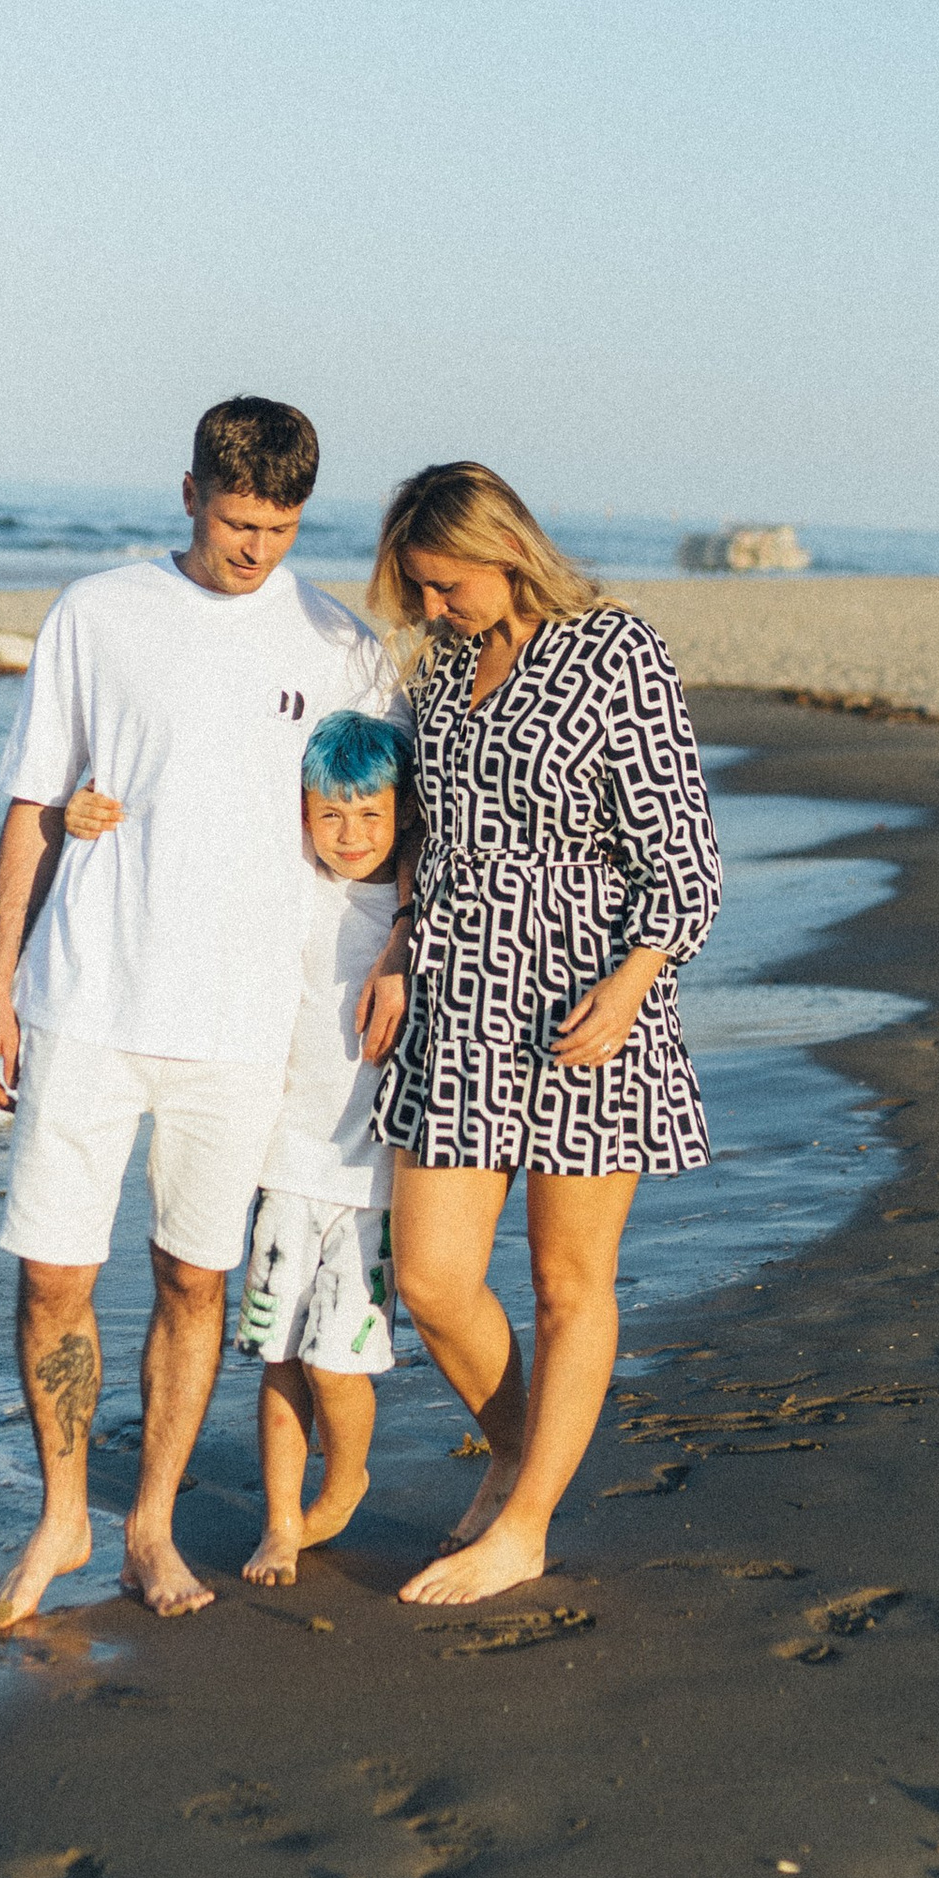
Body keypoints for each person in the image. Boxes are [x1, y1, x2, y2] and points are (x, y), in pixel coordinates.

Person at [0, 397, 405, 1623]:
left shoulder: (342, 649)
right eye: (236, 520)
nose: (256, 548)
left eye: (280, 525)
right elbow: (31, 804)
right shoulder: (98, 614)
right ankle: (61, 1516)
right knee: (54, 1275)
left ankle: (148, 1527)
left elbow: (387, 831)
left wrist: (403, 951)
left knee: (194, 1281)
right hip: (87, 1000)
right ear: (188, 494)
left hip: (243, 1023)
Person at [363, 459, 722, 1609]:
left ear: (504, 550)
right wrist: (397, 943)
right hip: (457, 1000)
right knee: (429, 1277)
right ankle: (527, 1454)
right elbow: (426, 832)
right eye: (416, 589)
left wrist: (633, 984)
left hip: (585, 1002)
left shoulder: (617, 652)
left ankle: (522, 1527)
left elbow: (686, 856)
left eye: (443, 584)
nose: (429, 607)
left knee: (570, 1284)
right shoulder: (442, 668)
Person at [235, 711, 409, 1588]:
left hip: (372, 1180)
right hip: (283, 1167)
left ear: (402, 814)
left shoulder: (416, 913)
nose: (350, 836)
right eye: (330, 816)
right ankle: (279, 1518)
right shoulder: (296, 890)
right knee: (278, 1353)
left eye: (371, 816)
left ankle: (344, 1481)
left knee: (337, 1359)